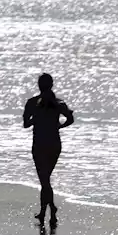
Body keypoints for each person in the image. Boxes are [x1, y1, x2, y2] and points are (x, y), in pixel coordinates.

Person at [23, 73, 74, 225]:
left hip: (39, 144)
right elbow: (70, 119)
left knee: (44, 179)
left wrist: (35, 119)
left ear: (39, 85)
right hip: (54, 144)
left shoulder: (32, 103)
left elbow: (26, 124)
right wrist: (59, 126)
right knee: (45, 179)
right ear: (51, 85)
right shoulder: (58, 103)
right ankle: (46, 211)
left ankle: (50, 210)